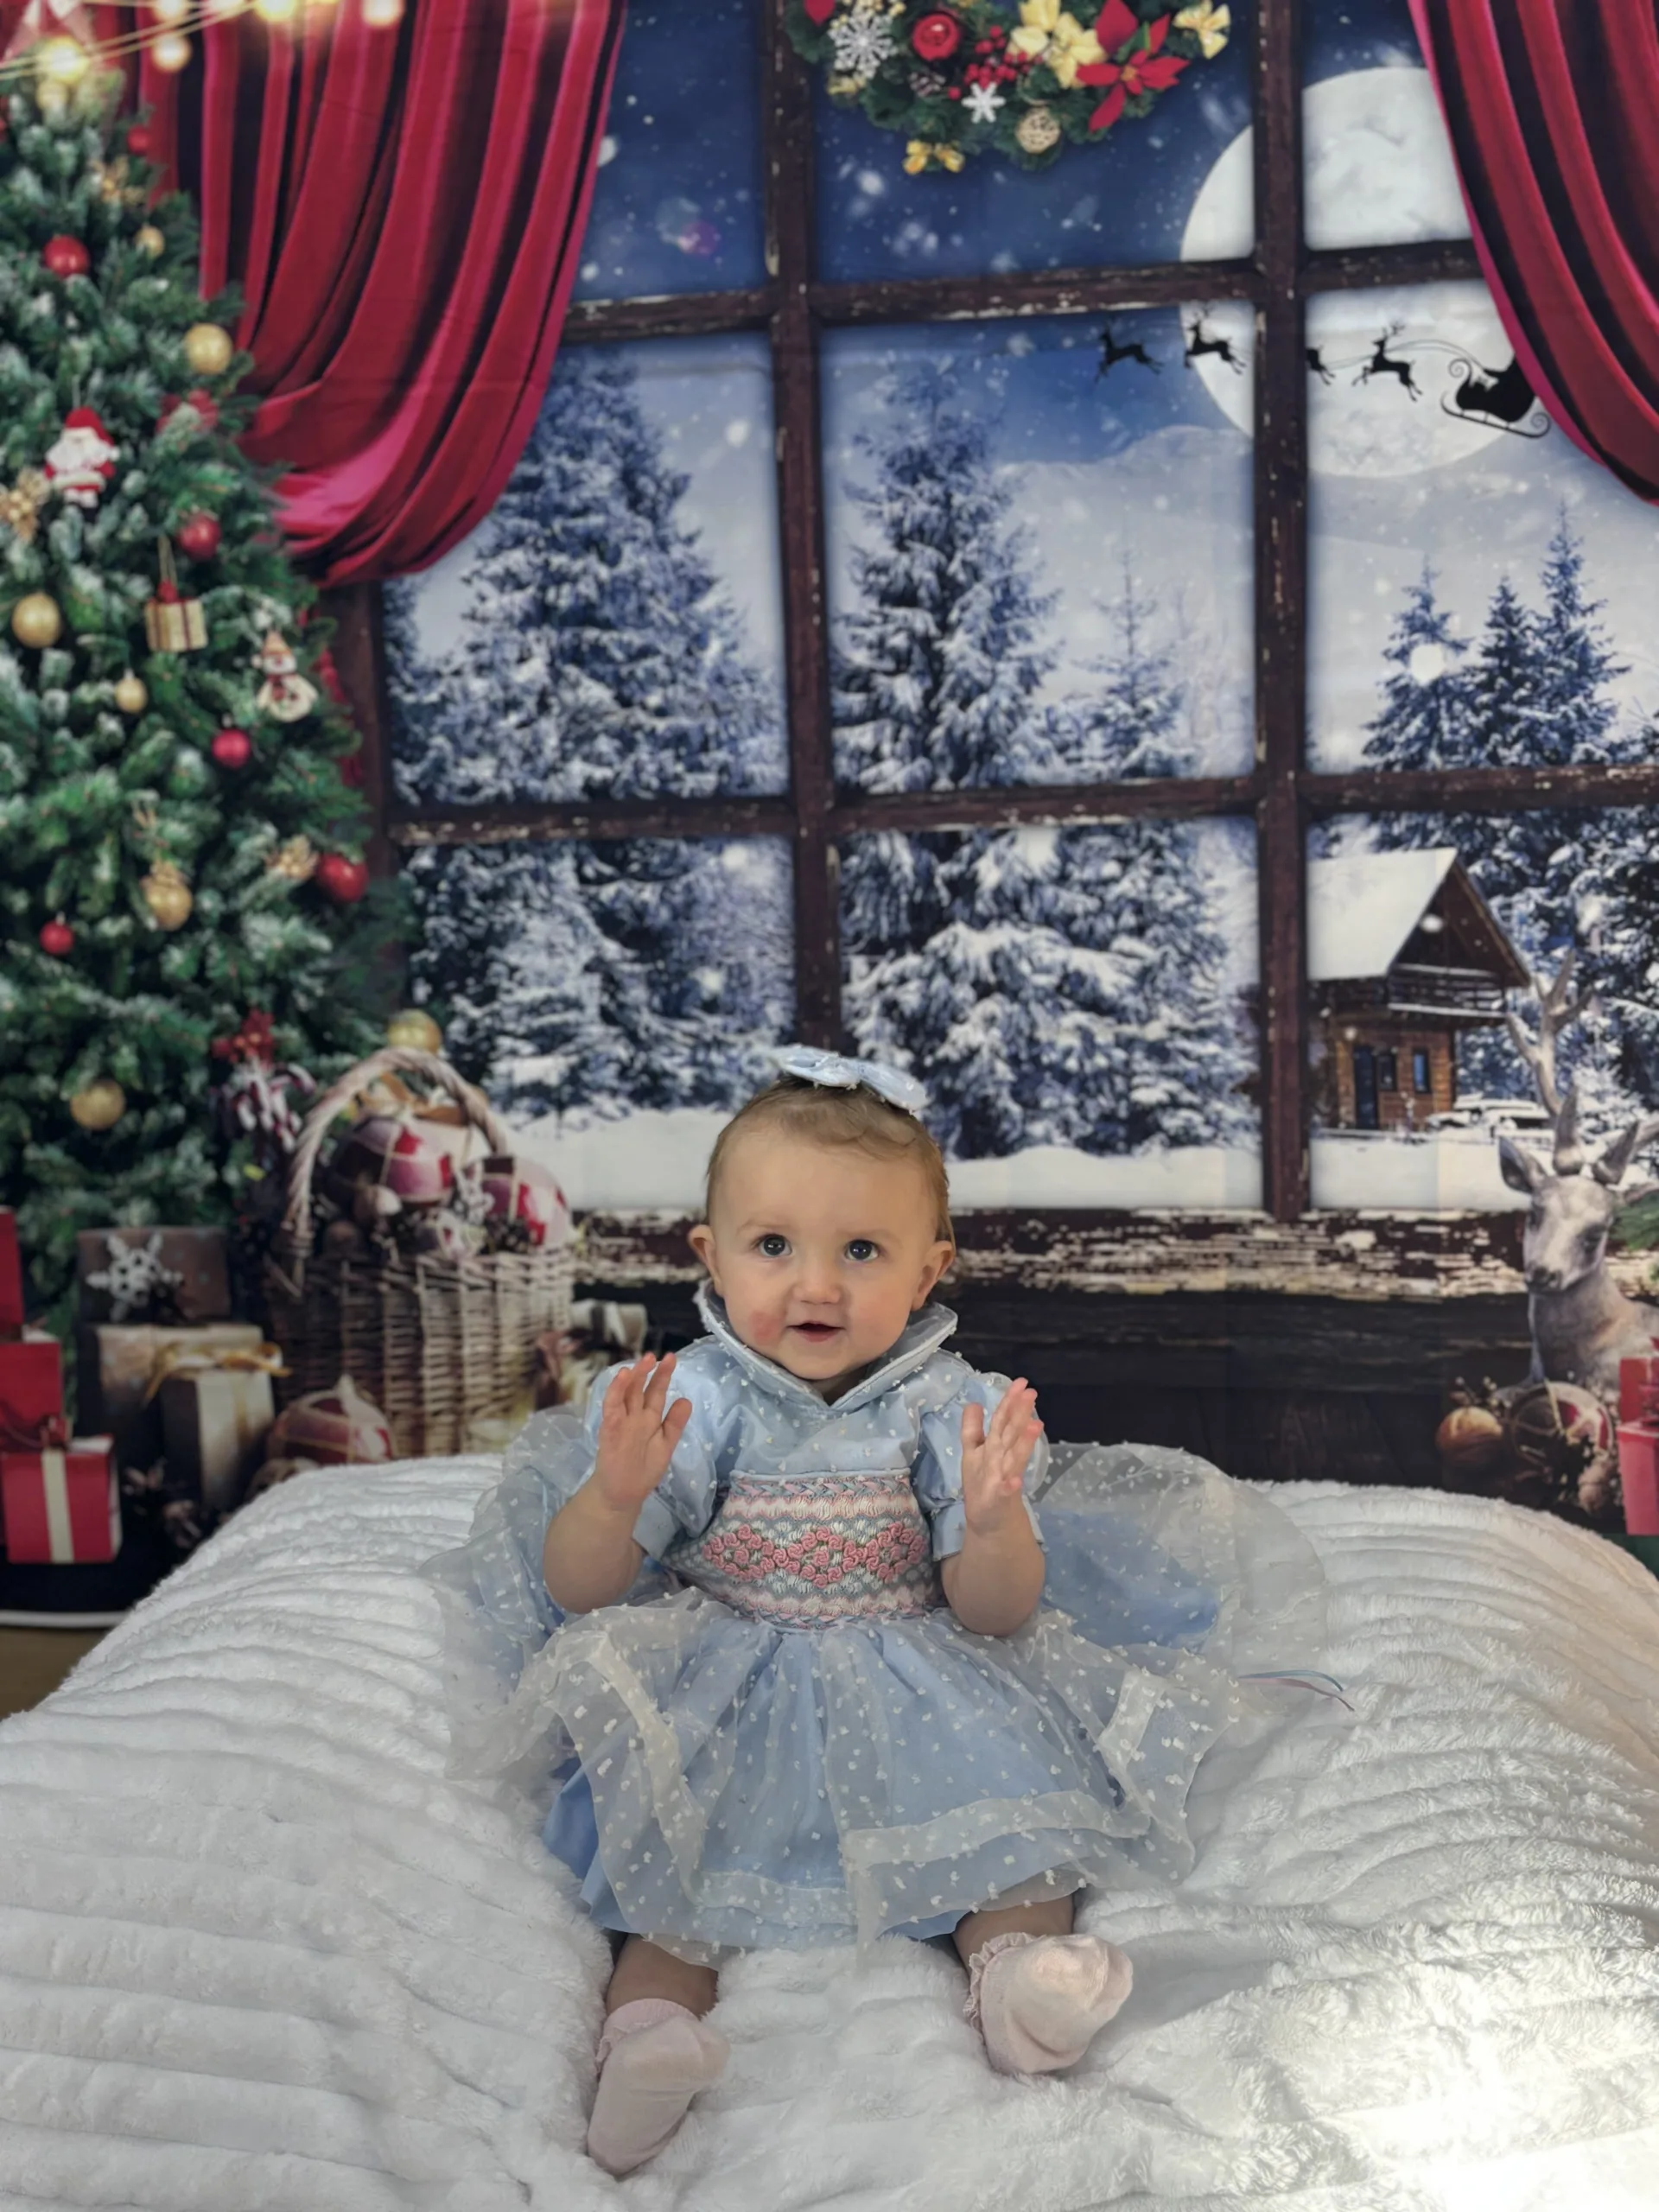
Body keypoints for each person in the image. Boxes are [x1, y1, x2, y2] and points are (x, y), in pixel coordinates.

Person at [424, 1047, 1331, 2176]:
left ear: (928, 1270)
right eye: (773, 1246)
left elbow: (995, 1615)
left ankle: (1018, 1982)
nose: (816, 1286)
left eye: (861, 1251)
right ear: (710, 1255)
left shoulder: (947, 1407)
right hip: (729, 1678)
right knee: (665, 1872)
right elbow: (580, 1590)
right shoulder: (690, 1402)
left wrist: (992, 1522)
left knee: (1010, 1838)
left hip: (918, 1673)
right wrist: (613, 1500)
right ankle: (647, 2038)